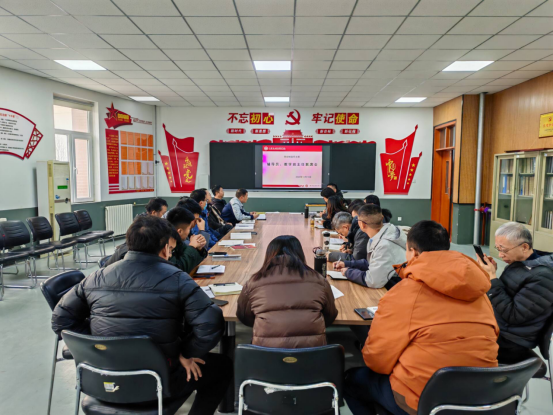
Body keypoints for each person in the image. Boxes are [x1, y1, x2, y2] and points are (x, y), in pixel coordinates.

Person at [51, 216, 232, 414]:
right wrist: (186, 353)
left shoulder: (96, 277)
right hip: (158, 384)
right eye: (171, 250)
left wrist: (97, 343)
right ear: (165, 249)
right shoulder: (178, 278)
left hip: (102, 379)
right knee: (222, 366)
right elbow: (211, 323)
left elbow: (60, 319)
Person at [344, 220, 499, 415]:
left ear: (413, 252)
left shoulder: (405, 292)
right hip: (482, 397)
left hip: (425, 401)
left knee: (351, 381)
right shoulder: (480, 292)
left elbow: (377, 360)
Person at [237, 235, 338, 348]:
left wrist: (264, 322)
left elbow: (244, 316)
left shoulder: (254, 282)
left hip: (266, 353)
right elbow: (330, 315)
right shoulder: (319, 280)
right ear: (300, 254)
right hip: (312, 353)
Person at [477, 222, 553, 364]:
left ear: (524, 247)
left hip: (512, 341)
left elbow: (514, 315)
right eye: (498, 249)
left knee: (459, 349)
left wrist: (492, 278)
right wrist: (491, 273)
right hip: (499, 327)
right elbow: (507, 293)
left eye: (504, 250)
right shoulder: (521, 263)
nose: (500, 255)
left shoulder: (543, 277)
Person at [334, 204, 406, 289]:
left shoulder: (384, 245)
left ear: (362, 224)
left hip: (396, 286)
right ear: (382, 218)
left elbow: (372, 280)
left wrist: (348, 272)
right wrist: (346, 264)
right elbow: (371, 263)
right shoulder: (385, 232)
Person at [167, 207, 208, 273]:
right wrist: (192, 246)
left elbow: (195, 263)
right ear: (180, 231)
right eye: (189, 229)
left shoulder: (178, 241)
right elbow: (179, 268)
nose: (189, 232)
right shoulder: (166, 244)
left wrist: (199, 249)